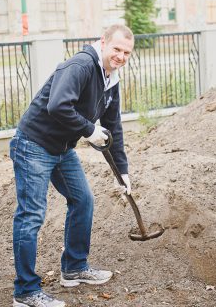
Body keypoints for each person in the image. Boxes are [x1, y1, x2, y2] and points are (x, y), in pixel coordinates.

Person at [10, 24, 135, 307]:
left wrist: (123, 171)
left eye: (126, 52)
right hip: (32, 145)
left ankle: (74, 267)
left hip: (61, 149)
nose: (121, 56)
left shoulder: (111, 78)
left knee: (83, 200)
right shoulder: (80, 65)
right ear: (102, 42)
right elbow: (57, 106)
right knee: (31, 215)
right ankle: (26, 292)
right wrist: (89, 130)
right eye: (116, 49)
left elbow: (113, 126)